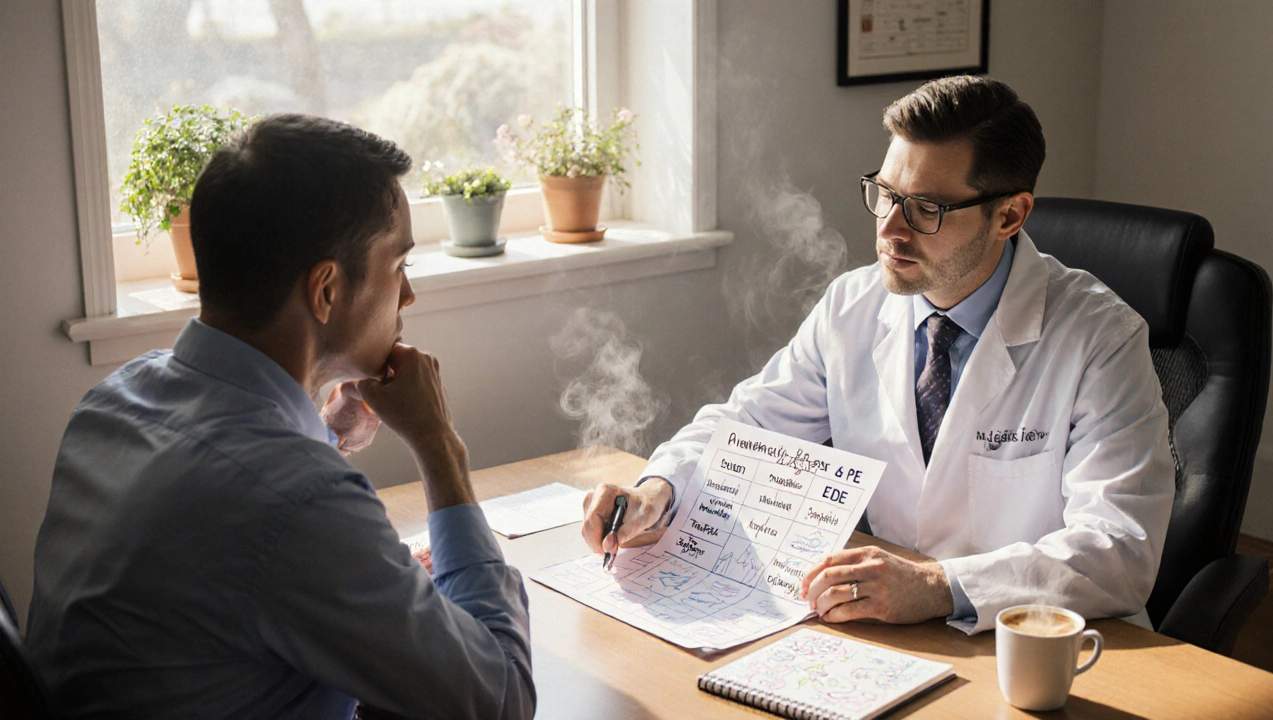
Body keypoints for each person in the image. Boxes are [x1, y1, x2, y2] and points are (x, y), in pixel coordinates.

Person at [582, 76, 1175, 634]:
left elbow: (1119, 549)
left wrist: (938, 585)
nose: (891, 229)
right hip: (895, 633)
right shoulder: (853, 305)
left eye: (926, 209)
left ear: (1009, 215)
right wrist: (658, 488)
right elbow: (745, 427)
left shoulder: (1101, 338)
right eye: (886, 194)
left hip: (1049, 643)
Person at [27, 115, 535, 719]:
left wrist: (327, 434)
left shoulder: (113, 402)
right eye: (400, 267)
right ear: (325, 290)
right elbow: (497, 699)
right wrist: (439, 448)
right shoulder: (297, 503)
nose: (407, 297)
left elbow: (238, 517)